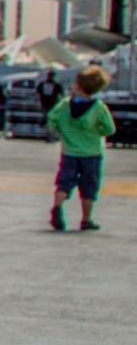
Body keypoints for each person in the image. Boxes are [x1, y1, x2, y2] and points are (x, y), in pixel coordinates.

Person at [48, 63, 114, 232]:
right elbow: (109, 129)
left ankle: (57, 207)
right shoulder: (99, 107)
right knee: (89, 187)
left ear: (78, 84)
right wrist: (96, 131)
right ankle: (86, 219)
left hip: (69, 152)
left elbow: (51, 119)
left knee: (63, 183)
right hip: (91, 153)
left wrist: (60, 130)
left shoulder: (65, 104)